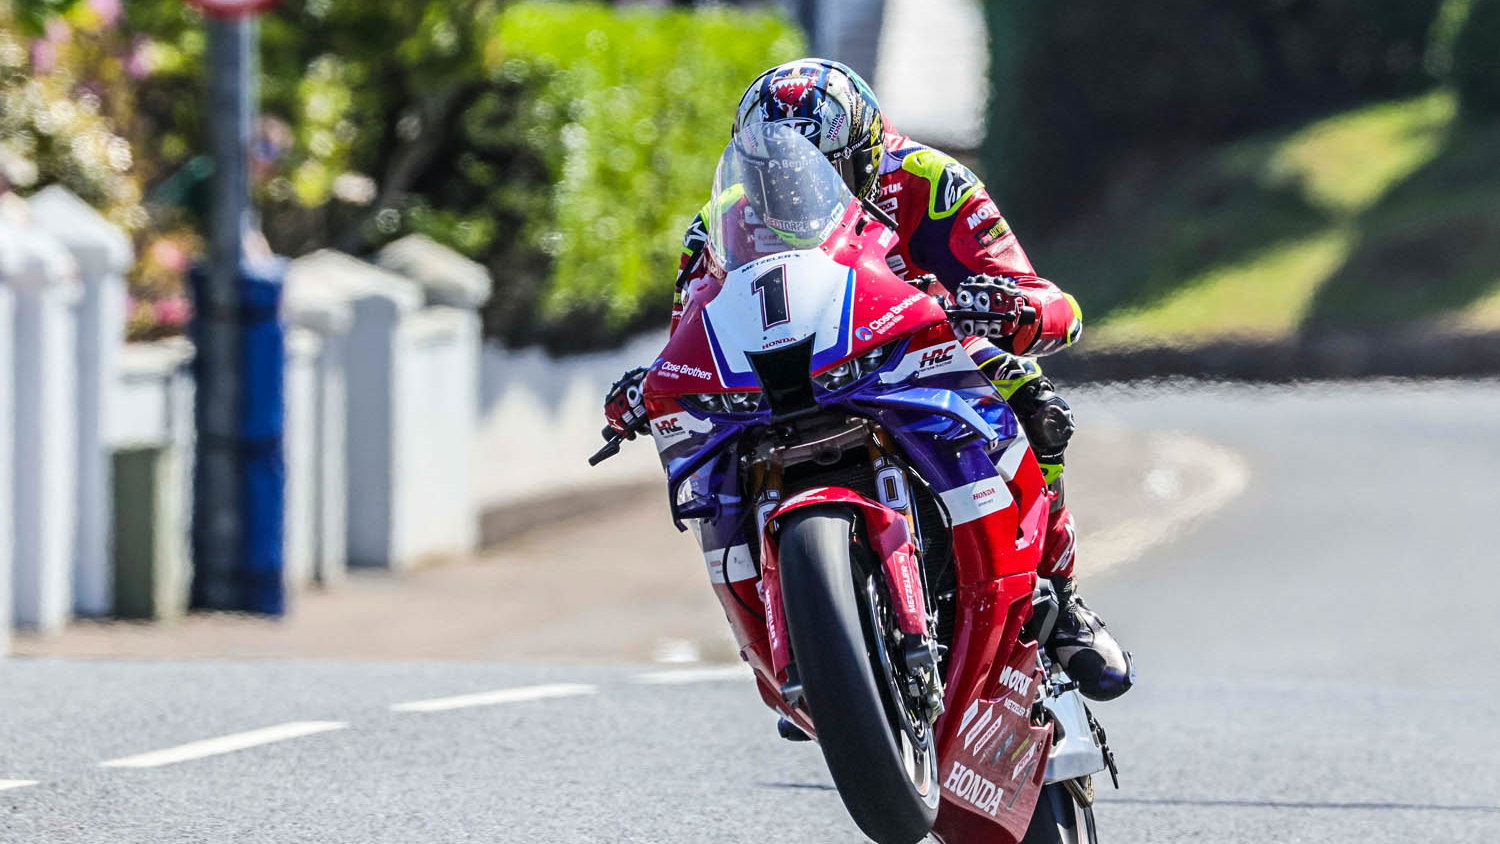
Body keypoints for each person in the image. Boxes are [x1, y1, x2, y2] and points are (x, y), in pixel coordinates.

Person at [604, 59, 1132, 702]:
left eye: (821, 172)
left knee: (1031, 397)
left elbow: (1036, 292)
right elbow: (692, 322)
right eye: (777, 177)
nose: (795, 191)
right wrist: (653, 385)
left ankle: (1061, 595)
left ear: (866, 155)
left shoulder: (931, 181)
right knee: (716, 464)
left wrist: (1017, 308)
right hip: (792, 369)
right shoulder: (721, 221)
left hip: (920, 352)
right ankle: (809, 643)